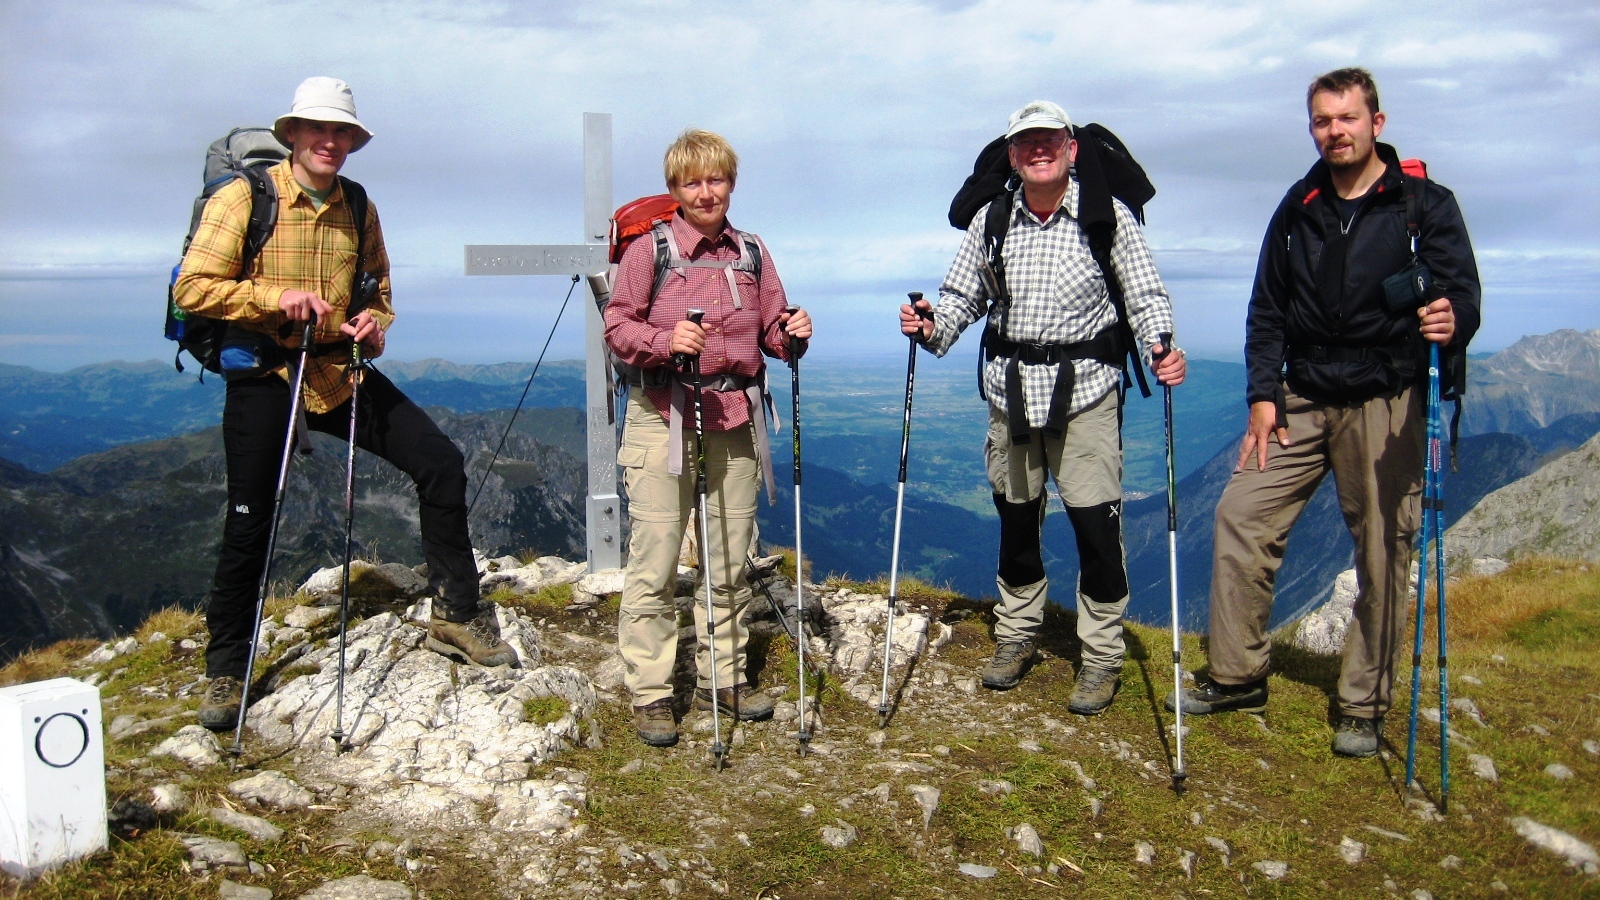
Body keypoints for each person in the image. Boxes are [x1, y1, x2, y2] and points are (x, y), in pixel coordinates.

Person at [176, 77, 516, 733]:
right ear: (294, 135)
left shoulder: (358, 206)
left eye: (341, 133)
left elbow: (379, 294)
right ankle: (226, 668)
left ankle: (454, 613)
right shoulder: (247, 198)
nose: (330, 142)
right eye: (318, 130)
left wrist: (374, 327)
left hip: (339, 370)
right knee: (250, 521)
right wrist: (274, 298)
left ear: (351, 143)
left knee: (440, 462)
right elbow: (194, 286)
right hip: (267, 374)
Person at [1167, 68, 1481, 757]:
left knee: (1382, 549)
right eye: (1322, 120)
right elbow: (1267, 307)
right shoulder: (1299, 204)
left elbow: (1462, 294)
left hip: (1387, 396)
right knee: (1241, 515)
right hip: (1302, 395)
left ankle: (1364, 704)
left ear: (1377, 121)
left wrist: (1451, 318)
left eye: (1347, 118)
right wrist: (1261, 394)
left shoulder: (1423, 204)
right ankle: (1237, 674)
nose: (1335, 131)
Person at [901, 101, 1185, 714]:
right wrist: (928, 327)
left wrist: (1162, 347)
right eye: (1025, 142)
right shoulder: (993, 221)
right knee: (1017, 523)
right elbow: (959, 298)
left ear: (1071, 147)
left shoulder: (1106, 218)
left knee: (1095, 527)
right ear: (1012, 153)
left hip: (1086, 395)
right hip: (1009, 394)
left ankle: (1103, 656)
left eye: (1049, 139)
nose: (1038, 149)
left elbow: (1144, 295)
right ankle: (1016, 636)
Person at [604, 129, 813, 748]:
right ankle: (652, 690)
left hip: (734, 414)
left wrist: (793, 331)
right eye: (692, 182)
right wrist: (666, 344)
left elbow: (773, 331)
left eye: (715, 179)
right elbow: (617, 324)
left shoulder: (750, 252)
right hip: (663, 410)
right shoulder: (652, 250)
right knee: (658, 556)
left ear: (731, 183)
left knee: (729, 556)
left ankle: (724, 676)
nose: (705, 191)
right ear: (674, 189)